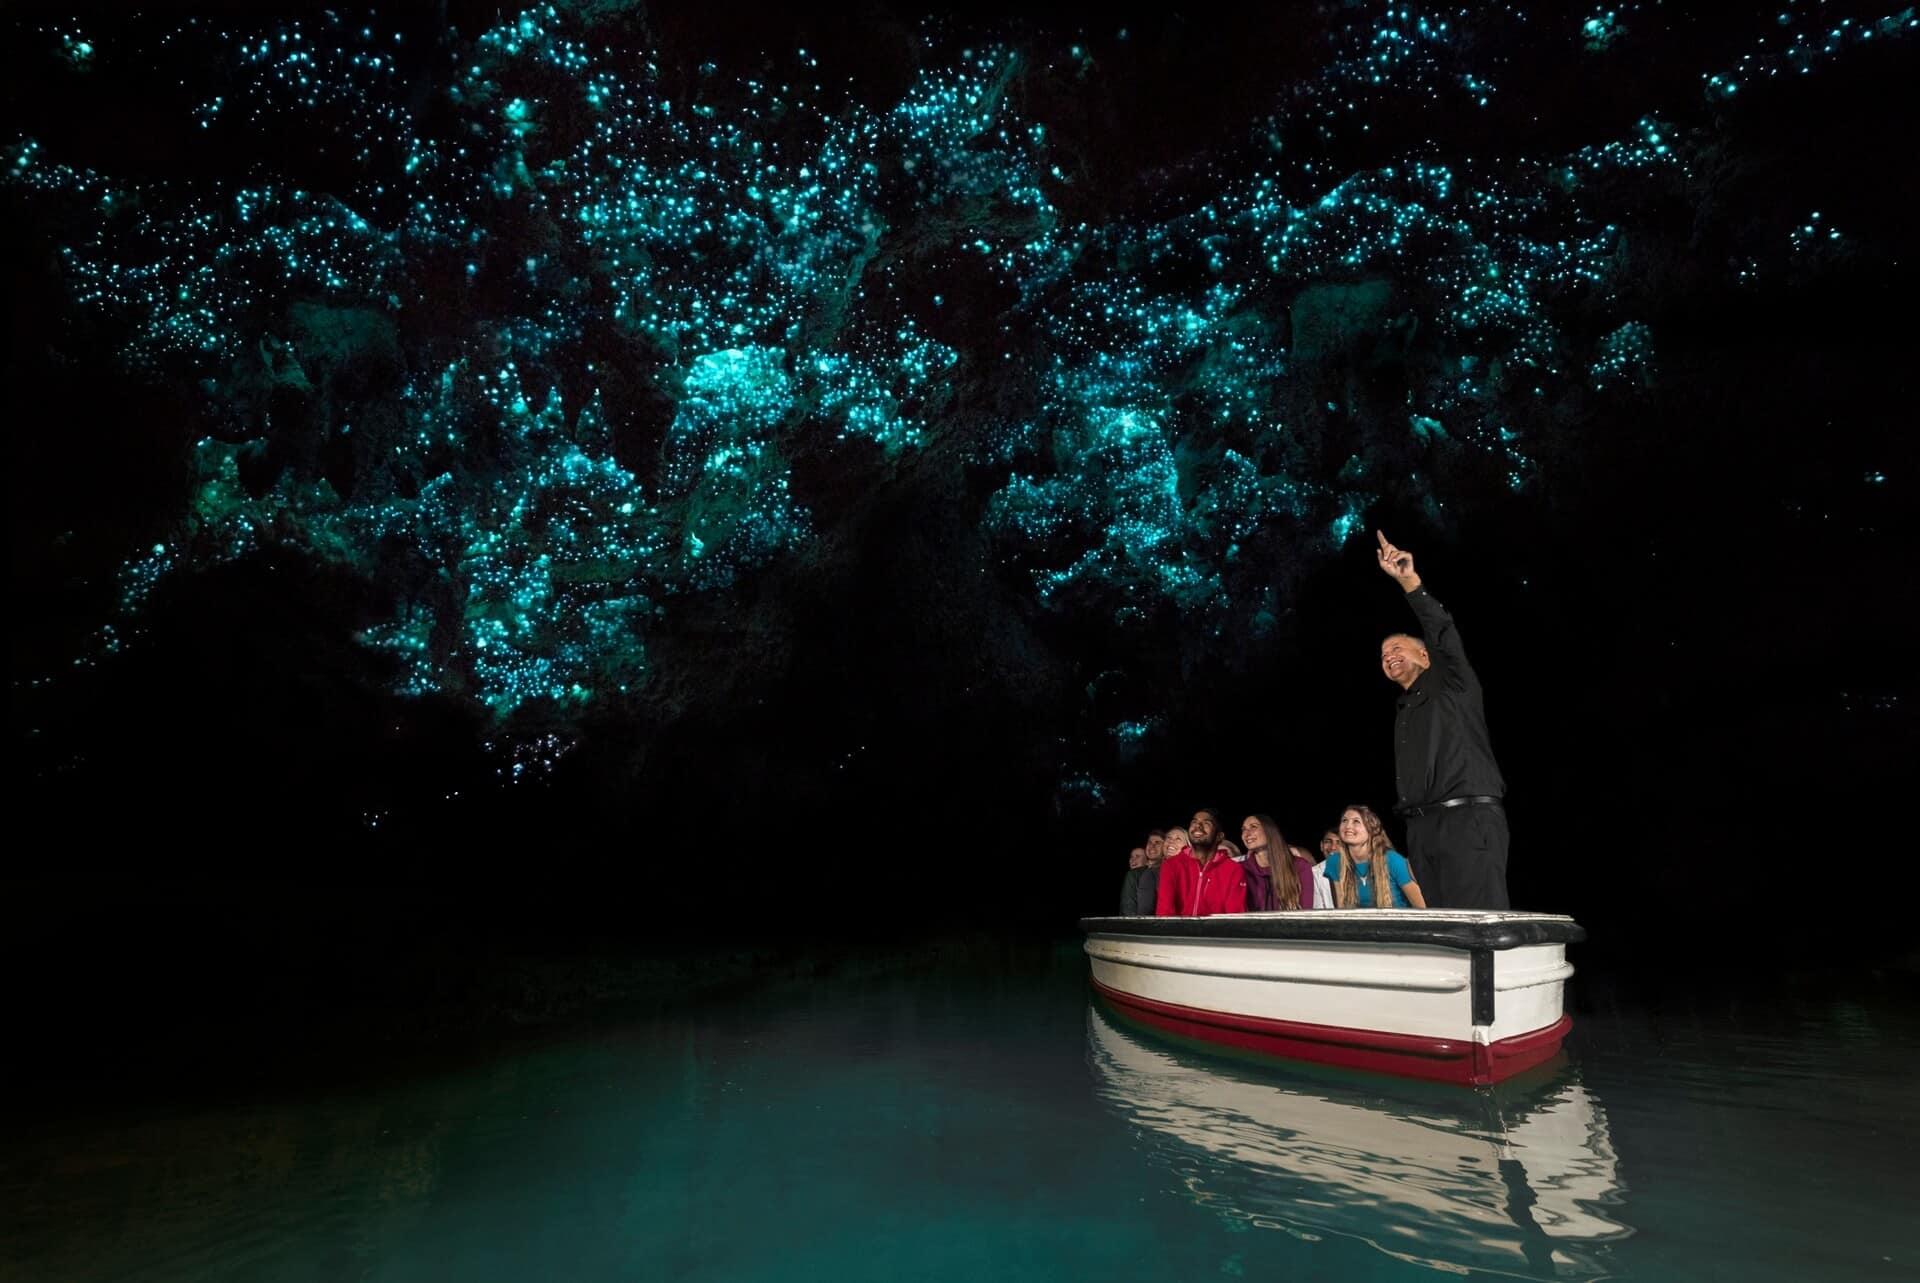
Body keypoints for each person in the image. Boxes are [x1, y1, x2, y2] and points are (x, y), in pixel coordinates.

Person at [1375, 530, 1510, 909]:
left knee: (1475, 925)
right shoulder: (1404, 709)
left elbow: (1442, 633)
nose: (1388, 657)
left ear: (1425, 656)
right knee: (1442, 928)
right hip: (1422, 829)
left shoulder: (1453, 681)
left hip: (1466, 821)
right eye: (1383, 656)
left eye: (1397, 648)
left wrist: (1408, 581)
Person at [1325, 804, 1427, 908]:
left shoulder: (1392, 860)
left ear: (1371, 829)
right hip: (1359, 923)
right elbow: (1341, 909)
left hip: (1397, 922)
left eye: (1356, 821)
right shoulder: (1334, 862)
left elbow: (1422, 909)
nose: (1348, 826)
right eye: (1344, 820)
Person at [1155, 809, 1247, 916]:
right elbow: (1164, 913)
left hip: (1216, 932)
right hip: (1178, 932)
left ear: (1219, 837)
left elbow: (1234, 917)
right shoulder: (1171, 865)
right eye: (1194, 822)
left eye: (1206, 823)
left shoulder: (1233, 869)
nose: (1197, 826)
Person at [1240, 815, 1314, 910]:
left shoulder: (1299, 866)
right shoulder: (1240, 869)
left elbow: (1305, 910)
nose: (1246, 834)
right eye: (1243, 829)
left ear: (1269, 831)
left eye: (1253, 827)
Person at [1130, 831, 1166, 916]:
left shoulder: (1162, 872)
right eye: (1149, 842)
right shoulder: (1136, 874)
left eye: (1157, 843)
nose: (1152, 846)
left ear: (1165, 847)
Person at [1119, 847, 1147, 915]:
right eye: (1131, 856)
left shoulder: (1132, 875)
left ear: (1147, 860)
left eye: (1138, 856)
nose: (1132, 859)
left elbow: (1128, 909)